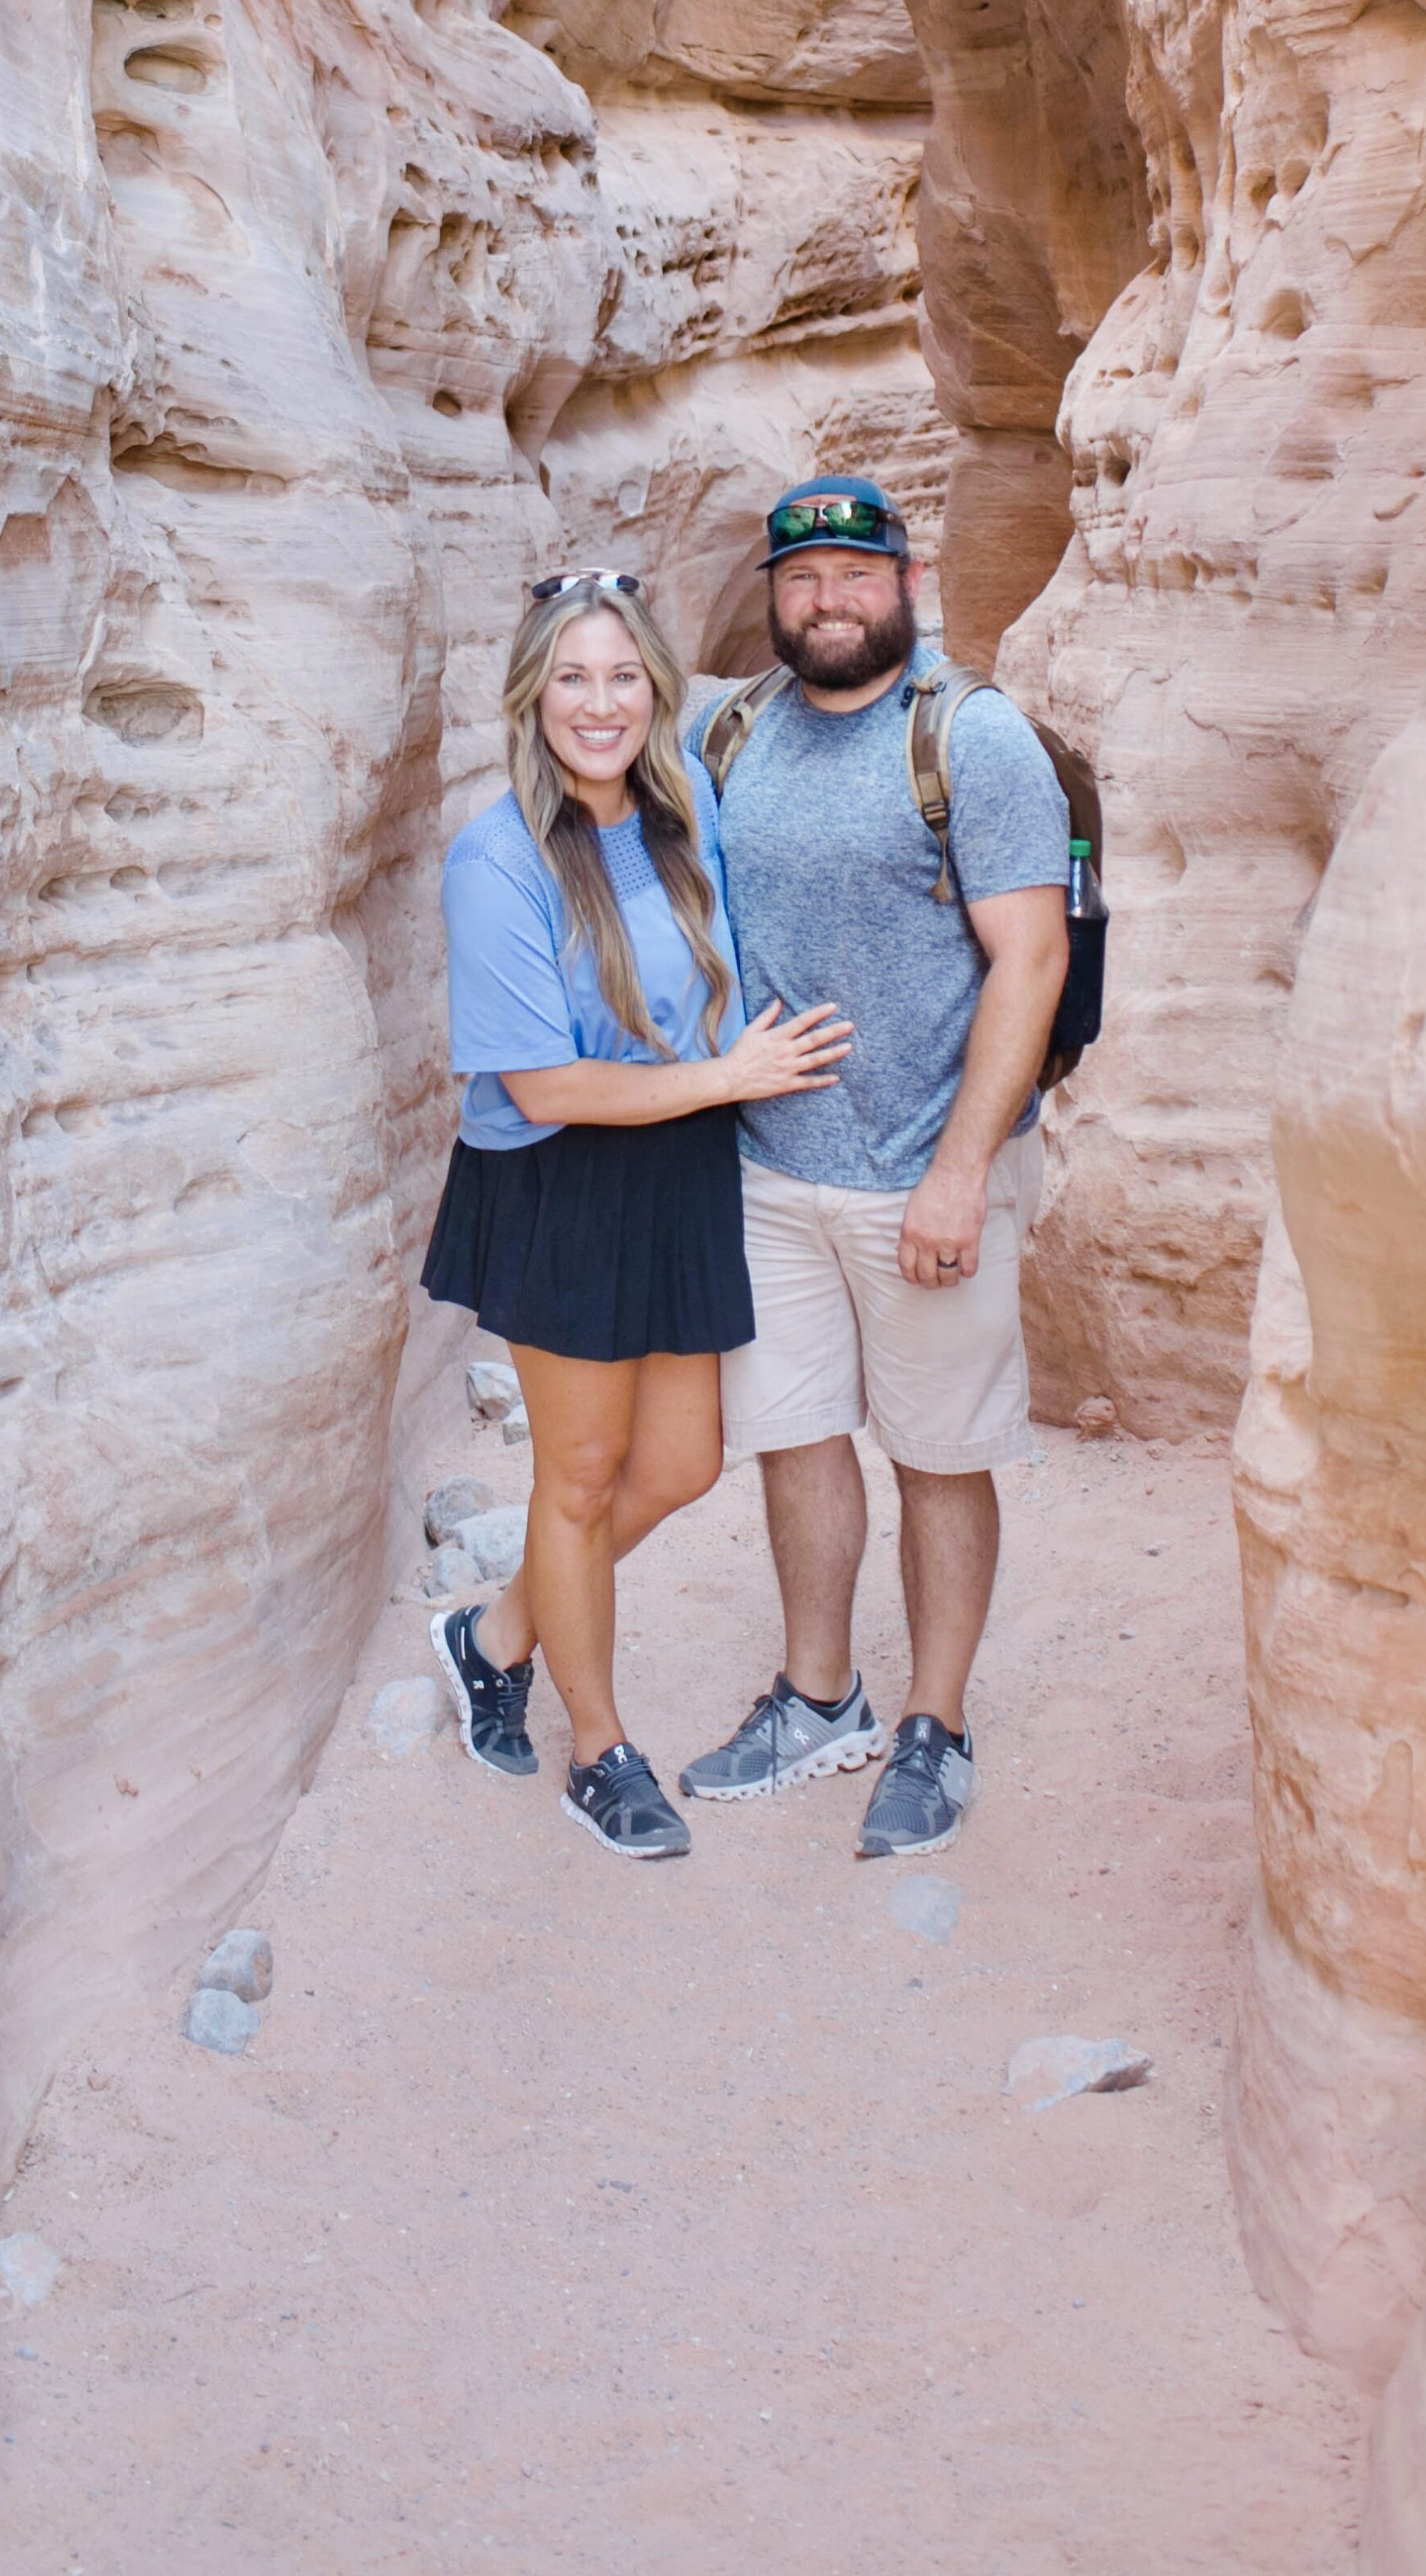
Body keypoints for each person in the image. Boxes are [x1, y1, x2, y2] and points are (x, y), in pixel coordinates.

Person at [421, 569, 850, 1860]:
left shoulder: (684, 813)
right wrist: (726, 1079)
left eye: (621, 676)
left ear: (655, 690)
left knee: (679, 1466)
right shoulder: (496, 858)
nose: (597, 704)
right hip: (563, 1177)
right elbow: (542, 1081)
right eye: (569, 677)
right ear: (530, 697)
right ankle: (599, 1750)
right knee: (580, 1477)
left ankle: (494, 1634)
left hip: (677, 1161)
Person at [680, 480, 1071, 1856]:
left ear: (904, 579)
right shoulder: (728, 730)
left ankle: (937, 1719)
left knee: (938, 1453)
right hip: (770, 1166)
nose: (826, 601)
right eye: (800, 582)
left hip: (926, 1166)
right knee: (795, 1438)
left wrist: (961, 1169)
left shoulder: (973, 738)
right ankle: (818, 1694)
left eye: (852, 574)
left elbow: (1030, 956)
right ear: (772, 598)